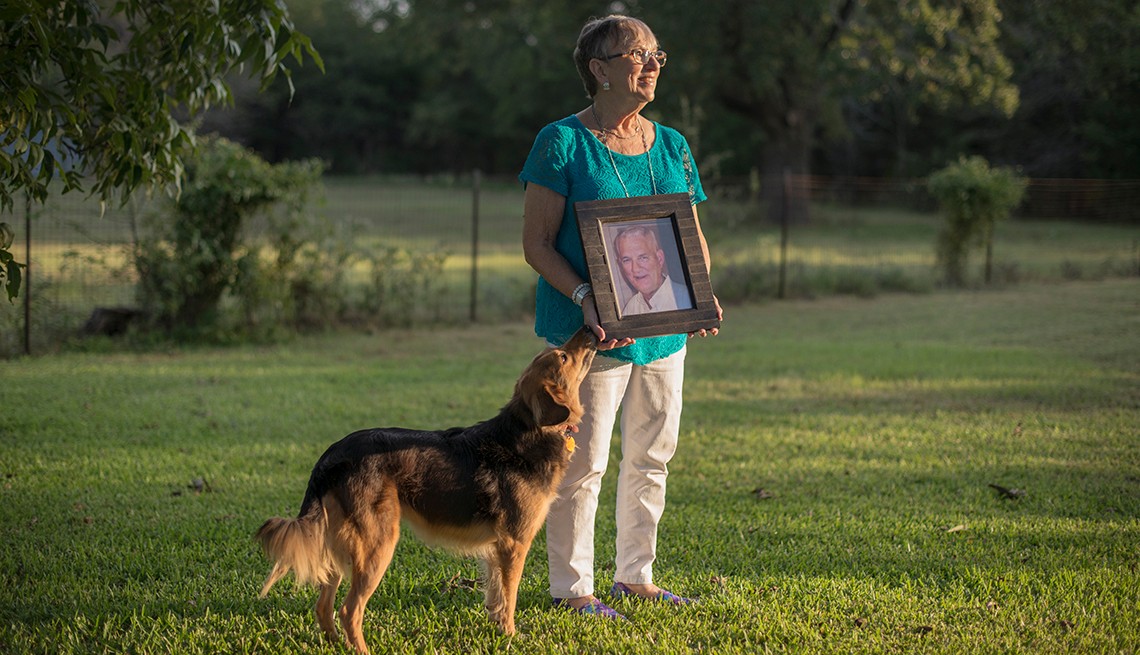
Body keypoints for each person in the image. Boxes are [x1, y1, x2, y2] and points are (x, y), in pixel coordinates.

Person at [520, 14, 721, 619]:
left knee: (654, 454)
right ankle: (572, 590)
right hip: (590, 336)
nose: (653, 63)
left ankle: (635, 576)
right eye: (637, 54)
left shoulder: (673, 145)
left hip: (664, 333)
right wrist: (587, 296)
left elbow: (691, 234)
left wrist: (701, 293)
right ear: (599, 69)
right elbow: (536, 244)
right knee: (583, 464)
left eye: (657, 53)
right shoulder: (561, 142)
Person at [613, 225, 692, 315]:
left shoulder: (688, 299)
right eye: (626, 260)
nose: (635, 269)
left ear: (659, 259)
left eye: (643, 258)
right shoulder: (630, 310)